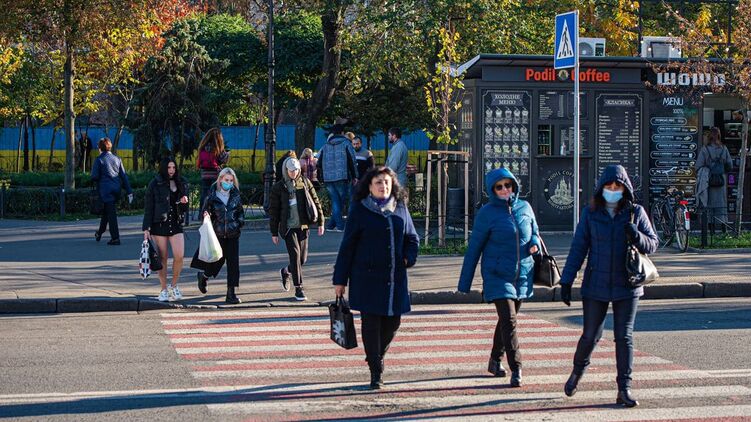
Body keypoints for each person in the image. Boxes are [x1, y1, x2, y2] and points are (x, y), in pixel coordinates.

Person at [559, 164, 658, 408]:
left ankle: (624, 388)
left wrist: (637, 236)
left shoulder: (635, 212)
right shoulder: (591, 213)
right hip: (596, 283)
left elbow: (653, 243)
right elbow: (578, 248)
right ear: (601, 187)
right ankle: (577, 372)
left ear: (625, 189)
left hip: (628, 284)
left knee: (624, 337)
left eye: (618, 186)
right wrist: (567, 280)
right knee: (590, 335)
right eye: (609, 186)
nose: (613, 190)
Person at [332, 166, 419, 390]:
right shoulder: (360, 210)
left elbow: (412, 238)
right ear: (369, 186)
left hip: (394, 278)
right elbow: (347, 247)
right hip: (366, 278)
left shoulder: (400, 207)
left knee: (393, 322)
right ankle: (376, 371)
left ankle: (376, 356)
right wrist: (340, 280)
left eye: (387, 182)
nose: (383, 186)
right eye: (378, 182)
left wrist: (408, 258)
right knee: (371, 324)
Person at [456, 167, 540, 388]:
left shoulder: (525, 207)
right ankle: (516, 368)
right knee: (509, 320)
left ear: (514, 185)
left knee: (506, 321)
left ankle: (495, 360)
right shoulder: (487, 213)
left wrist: (534, 244)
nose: (504, 190)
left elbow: (535, 233)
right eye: (499, 187)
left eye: (508, 185)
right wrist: (464, 283)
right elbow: (474, 248)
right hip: (497, 274)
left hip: (522, 273)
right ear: (492, 190)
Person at [269, 157, 325, 301]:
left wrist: (321, 222)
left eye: (296, 170)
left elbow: (315, 201)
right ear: (286, 170)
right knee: (294, 255)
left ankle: (286, 271)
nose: (293, 173)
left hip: (303, 226)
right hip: (288, 227)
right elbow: (274, 211)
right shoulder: (279, 187)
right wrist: (274, 232)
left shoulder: (305, 182)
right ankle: (298, 288)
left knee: (302, 259)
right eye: (291, 170)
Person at [195, 168, 245, 304]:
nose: (229, 183)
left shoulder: (235, 195)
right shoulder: (212, 195)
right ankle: (204, 276)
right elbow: (204, 212)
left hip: (233, 234)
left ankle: (231, 293)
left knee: (233, 264)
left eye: (231, 180)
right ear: (220, 179)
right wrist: (206, 215)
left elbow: (240, 212)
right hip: (218, 234)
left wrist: (239, 223)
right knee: (217, 261)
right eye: (226, 180)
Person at [143, 158, 189, 302]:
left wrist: (184, 202)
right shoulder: (155, 183)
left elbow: (185, 208)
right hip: (159, 224)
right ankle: (163, 289)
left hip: (176, 223)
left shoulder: (181, 182)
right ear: (163, 168)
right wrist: (146, 228)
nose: (171, 170)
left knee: (179, 255)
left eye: (174, 167)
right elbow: (148, 207)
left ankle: (174, 286)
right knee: (162, 258)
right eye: (169, 167)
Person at [91, 138, 133, 245]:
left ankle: (115, 238)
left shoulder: (99, 160)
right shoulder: (117, 159)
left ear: (100, 148)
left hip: (105, 191)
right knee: (107, 212)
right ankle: (99, 233)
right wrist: (129, 191)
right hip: (116, 190)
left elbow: (94, 176)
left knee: (111, 214)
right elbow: (124, 176)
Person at [317, 124, 357, 232]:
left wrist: (322, 176)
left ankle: (331, 225)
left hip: (328, 177)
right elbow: (352, 160)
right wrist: (355, 176)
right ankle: (340, 225)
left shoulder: (325, 145)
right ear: (342, 132)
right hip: (342, 176)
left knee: (336, 200)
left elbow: (319, 163)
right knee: (340, 201)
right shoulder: (346, 143)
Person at [695, 127, 733, 233]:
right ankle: (724, 228)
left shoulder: (705, 149)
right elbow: (730, 165)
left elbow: (698, 166)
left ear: (709, 136)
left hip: (709, 180)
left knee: (709, 204)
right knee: (721, 205)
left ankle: (711, 230)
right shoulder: (724, 148)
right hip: (721, 180)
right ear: (719, 135)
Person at [197, 128, 230, 209]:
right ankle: (214, 212)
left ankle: (202, 212)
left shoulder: (202, 147)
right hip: (215, 175)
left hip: (205, 175)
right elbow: (222, 160)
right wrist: (227, 154)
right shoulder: (217, 148)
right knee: (216, 194)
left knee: (204, 194)